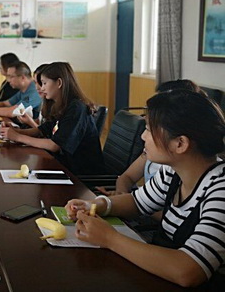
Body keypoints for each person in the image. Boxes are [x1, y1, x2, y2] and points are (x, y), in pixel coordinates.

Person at [66, 89, 225, 288]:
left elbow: (189, 270)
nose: (142, 136)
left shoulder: (220, 190)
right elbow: (136, 201)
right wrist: (96, 205)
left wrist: (109, 238)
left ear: (180, 143)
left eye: (149, 129)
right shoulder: (173, 171)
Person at [97, 79, 207, 196]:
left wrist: (125, 201)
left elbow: (160, 205)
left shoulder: (183, 171)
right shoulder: (163, 165)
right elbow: (128, 178)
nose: (143, 136)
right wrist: (121, 195)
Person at [0, 61, 104, 175]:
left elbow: (55, 145)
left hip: (80, 175)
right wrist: (15, 131)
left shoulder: (76, 108)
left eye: (44, 83)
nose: (42, 88)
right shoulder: (61, 105)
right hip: (65, 166)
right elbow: (42, 130)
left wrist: (18, 137)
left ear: (59, 83)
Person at [15, 63, 49, 129]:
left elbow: (45, 133)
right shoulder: (44, 102)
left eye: (41, 83)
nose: (37, 87)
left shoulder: (55, 107)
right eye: (35, 82)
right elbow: (41, 124)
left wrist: (30, 122)